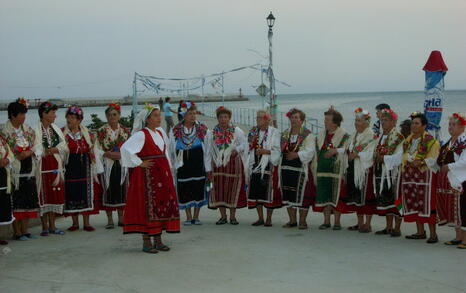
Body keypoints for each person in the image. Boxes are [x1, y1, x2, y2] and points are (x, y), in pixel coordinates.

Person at [120, 104, 180, 253]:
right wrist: (140, 163)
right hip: (148, 177)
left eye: (159, 115)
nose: (159, 118)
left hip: (162, 175)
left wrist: (169, 171)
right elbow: (125, 149)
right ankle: (146, 242)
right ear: (147, 119)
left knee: (161, 206)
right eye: (155, 115)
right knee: (147, 206)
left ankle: (158, 240)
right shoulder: (141, 134)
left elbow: (165, 153)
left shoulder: (160, 132)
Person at [1, 98, 40, 240]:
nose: (24, 117)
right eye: (21, 114)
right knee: (16, 201)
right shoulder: (3, 130)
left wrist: (28, 153)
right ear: (13, 115)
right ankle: (17, 231)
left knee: (29, 199)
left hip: (29, 168)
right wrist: (17, 155)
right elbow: (4, 149)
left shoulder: (28, 130)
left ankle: (25, 230)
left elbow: (37, 146)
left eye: (24, 114)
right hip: (14, 169)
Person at [399, 112, 440, 243]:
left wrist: (421, 162)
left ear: (424, 126)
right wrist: (409, 159)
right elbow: (403, 155)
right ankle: (420, 231)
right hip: (410, 176)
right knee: (414, 201)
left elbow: (434, 158)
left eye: (417, 123)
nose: (413, 126)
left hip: (424, 176)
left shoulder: (432, 141)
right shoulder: (407, 141)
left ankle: (433, 234)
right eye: (412, 123)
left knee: (427, 203)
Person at [205, 106, 247, 225]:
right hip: (217, 166)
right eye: (221, 117)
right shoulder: (211, 133)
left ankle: (233, 217)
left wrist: (237, 150)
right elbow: (207, 152)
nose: (223, 119)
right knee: (219, 190)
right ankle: (223, 216)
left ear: (229, 118)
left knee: (232, 189)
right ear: (217, 118)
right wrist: (208, 169)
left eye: (225, 117)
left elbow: (244, 144)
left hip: (233, 164)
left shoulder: (237, 131)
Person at [169, 103, 209, 225]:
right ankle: (188, 216)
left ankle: (196, 216)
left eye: (194, 113)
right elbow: (170, 149)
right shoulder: (175, 130)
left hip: (198, 162)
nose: (192, 116)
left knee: (198, 187)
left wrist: (208, 167)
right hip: (182, 165)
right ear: (183, 115)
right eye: (189, 113)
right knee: (184, 188)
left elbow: (207, 148)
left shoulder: (202, 128)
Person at [62, 106, 100, 231]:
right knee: (71, 192)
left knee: (85, 192)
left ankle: (87, 223)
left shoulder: (87, 134)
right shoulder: (62, 134)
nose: (69, 120)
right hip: (70, 167)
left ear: (79, 120)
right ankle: (75, 223)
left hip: (84, 166)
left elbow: (92, 148)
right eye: (68, 117)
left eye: (73, 118)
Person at [313, 107, 350, 230]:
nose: (325, 122)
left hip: (337, 171)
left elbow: (348, 150)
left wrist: (335, 151)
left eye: (327, 120)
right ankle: (326, 221)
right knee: (325, 196)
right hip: (322, 171)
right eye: (325, 119)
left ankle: (337, 222)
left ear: (335, 122)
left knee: (337, 197)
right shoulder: (320, 135)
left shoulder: (344, 136)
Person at [36, 101, 68, 236]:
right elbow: (36, 147)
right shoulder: (35, 130)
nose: (55, 116)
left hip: (55, 164)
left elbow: (64, 146)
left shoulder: (55, 129)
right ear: (44, 114)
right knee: (44, 193)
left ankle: (53, 226)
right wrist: (45, 151)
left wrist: (54, 149)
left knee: (55, 192)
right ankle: (44, 227)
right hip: (42, 165)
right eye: (53, 113)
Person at [342, 108, 377, 233]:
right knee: (356, 196)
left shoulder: (371, 135)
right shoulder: (354, 135)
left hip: (364, 170)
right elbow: (347, 148)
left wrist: (357, 155)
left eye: (359, 121)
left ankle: (367, 224)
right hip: (353, 169)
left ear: (367, 122)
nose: (356, 123)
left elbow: (371, 152)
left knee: (365, 197)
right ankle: (359, 222)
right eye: (356, 120)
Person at [280, 108, 315, 229]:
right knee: (288, 194)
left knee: (302, 196)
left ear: (302, 120)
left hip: (300, 170)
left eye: (296, 118)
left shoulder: (308, 134)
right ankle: (292, 220)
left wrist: (296, 154)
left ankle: (303, 221)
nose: (293, 120)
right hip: (285, 169)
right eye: (292, 117)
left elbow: (310, 151)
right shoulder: (285, 134)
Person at [96, 103, 130, 229]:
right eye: (109, 115)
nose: (112, 117)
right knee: (108, 190)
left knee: (122, 189)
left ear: (119, 115)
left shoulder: (126, 131)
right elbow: (97, 148)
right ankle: (109, 219)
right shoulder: (101, 131)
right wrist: (106, 153)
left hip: (121, 163)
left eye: (114, 114)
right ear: (106, 116)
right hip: (108, 164)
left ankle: (121, 218)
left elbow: (130, 148)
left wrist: (121, 154)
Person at [373, 108, 404, 237]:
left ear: (393, 122)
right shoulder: (380, 136)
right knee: (386, 199)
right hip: (381, 172)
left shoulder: (399, 137)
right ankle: (388, 226)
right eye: (382, 120)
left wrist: (384, 158)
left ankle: (397, 227)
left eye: (386, 120)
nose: (383, 123)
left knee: (395, 199)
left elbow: (400, 156)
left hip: (393, 173)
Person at [247, 110, 282, 227]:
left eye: (260, 118)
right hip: (255, 164)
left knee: (268, 192)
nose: (258, 120)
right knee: (257, 191)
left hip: (269, 165)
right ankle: (260, 218)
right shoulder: (253, 132)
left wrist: (265, 151)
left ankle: (269, 219)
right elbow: (248, 146)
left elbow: (278, 150)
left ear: (267, 120)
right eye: (257, 118)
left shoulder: (274, 132)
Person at [436, 113, 466, 248]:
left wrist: (449, 166)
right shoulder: (450, 143)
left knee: (463, 209)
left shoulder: (464, 142)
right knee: (455, 209)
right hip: (451, 179)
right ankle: (458, 236)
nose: (450, 127)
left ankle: (465, 239)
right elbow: (442, 158)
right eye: (449, 124)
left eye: (454, 125)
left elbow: (464, 162)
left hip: (462, 179)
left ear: (462, 127)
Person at [0, 134, 14, 244]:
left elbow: (11, 154)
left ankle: (1, 236)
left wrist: (6, 160)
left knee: (2, 204)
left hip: (2, 175)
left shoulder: (2, 138)